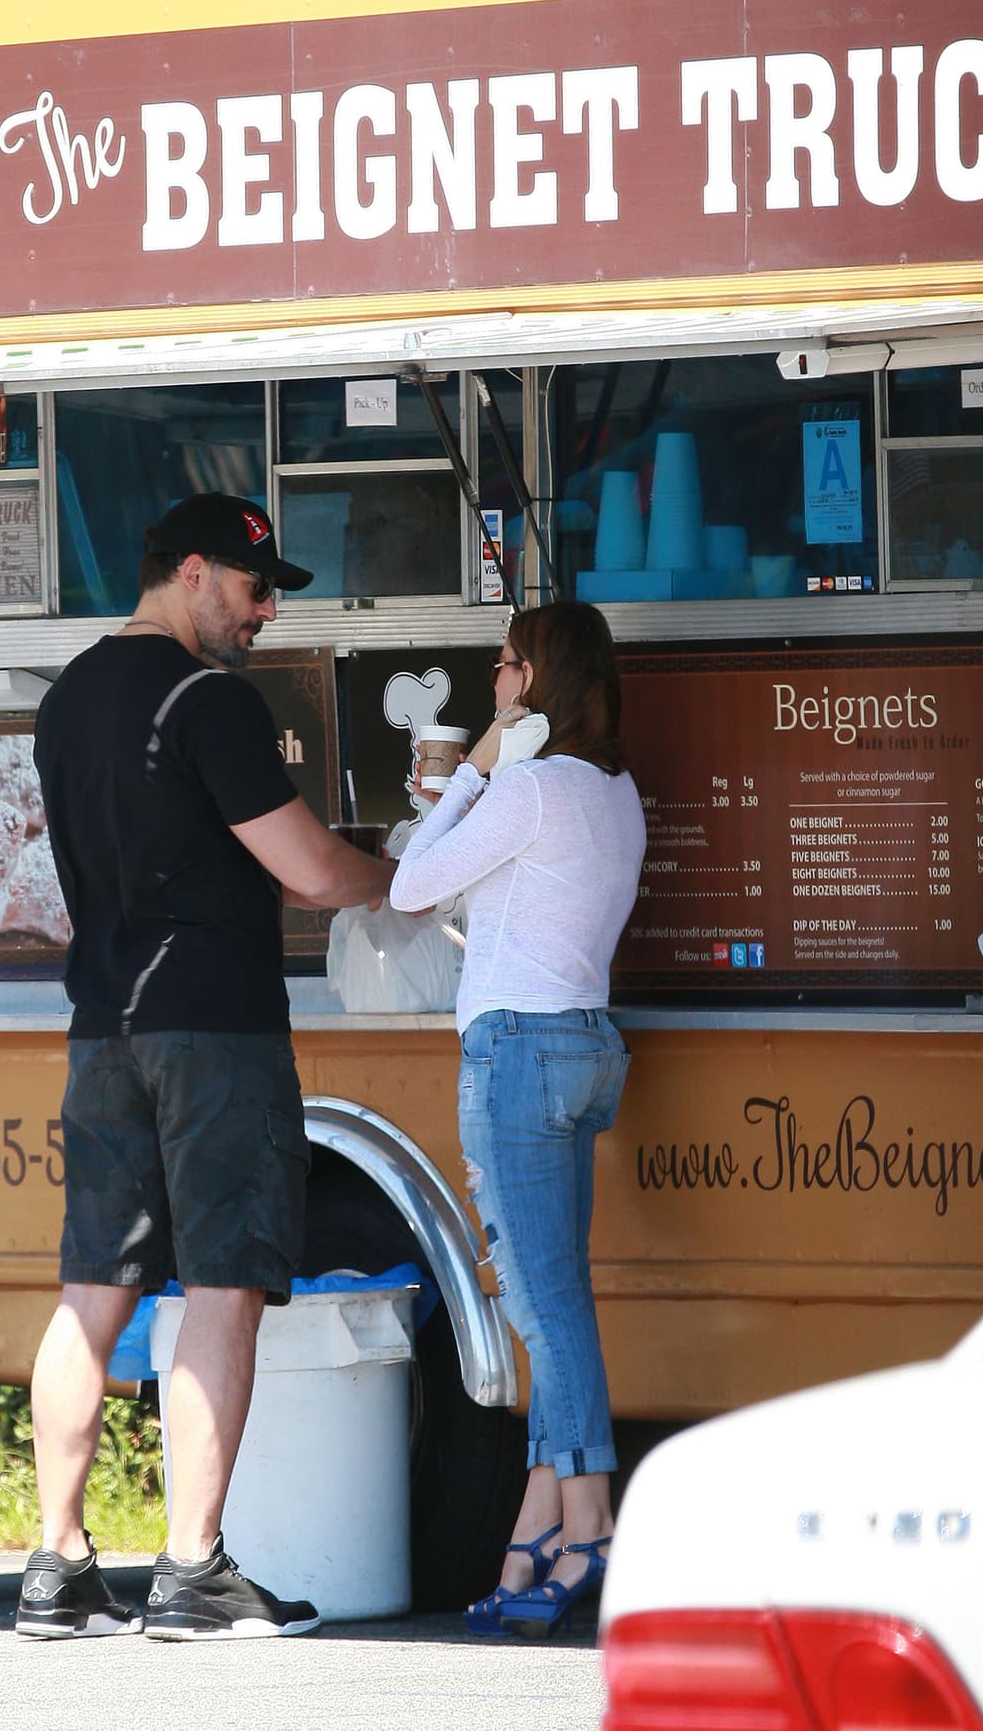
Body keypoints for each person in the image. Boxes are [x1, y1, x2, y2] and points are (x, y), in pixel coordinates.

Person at [18, 491, 393, 1642]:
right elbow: (309, 869)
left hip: (102, 1027)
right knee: (222, 1284)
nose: (266, 609)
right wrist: (403, 875)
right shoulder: (209, 699)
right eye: (253, 585)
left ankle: (57, 1564)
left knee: (92, 1291)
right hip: (215, 1030)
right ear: (190, 571)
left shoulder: (68, 697)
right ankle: (190, 1568)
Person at [388, 599, 646, 1639]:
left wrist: (474, 767)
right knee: (557, 1301)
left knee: (545, 1312)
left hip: (518, 1055)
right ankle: (532, 1534)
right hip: (584, 1044)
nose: (492, 679)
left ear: (531, 679)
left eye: (502, 665)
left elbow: (412, 884)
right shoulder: (613, 791)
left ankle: (590, 1528)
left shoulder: (529, 788)